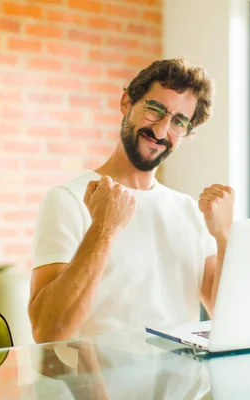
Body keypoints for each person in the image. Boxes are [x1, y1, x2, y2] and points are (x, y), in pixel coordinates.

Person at [28, 58, 235, 344]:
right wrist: (103, 229)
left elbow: (224, 315)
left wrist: (224, 237)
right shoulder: (69, 199)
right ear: (127, 103)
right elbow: (48, 331)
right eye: (154, 109)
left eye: (178, 122)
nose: (161, 131)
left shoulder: (187, 209)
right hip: (100, 386)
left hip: (180, 386)